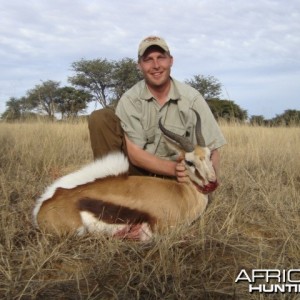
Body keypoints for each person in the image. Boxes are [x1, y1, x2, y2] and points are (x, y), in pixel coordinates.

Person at [88, 36, 226, 192]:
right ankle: (110, 192)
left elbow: (212, 150)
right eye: (148, 60)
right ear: (139, 65)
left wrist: (209, 179)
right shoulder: (130, 99)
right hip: (140, 172)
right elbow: (135, 154)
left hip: (180, 177)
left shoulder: (192, 99)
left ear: (171, 61)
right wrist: (174, 169)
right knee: (100, 118)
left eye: (161, 58)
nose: (156, 65)